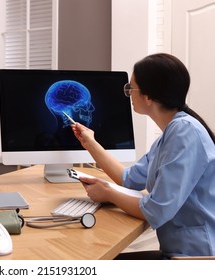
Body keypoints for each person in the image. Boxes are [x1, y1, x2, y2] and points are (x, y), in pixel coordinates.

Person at [71, 53, 215, 259]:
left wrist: (108, 193)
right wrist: (90, 143)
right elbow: (130, 179)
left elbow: (156, 210)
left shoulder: (184, 132)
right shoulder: (172, 133)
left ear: (149, 97)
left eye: (131, 88)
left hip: (196, 258)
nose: (128, 93)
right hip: (178, 251)